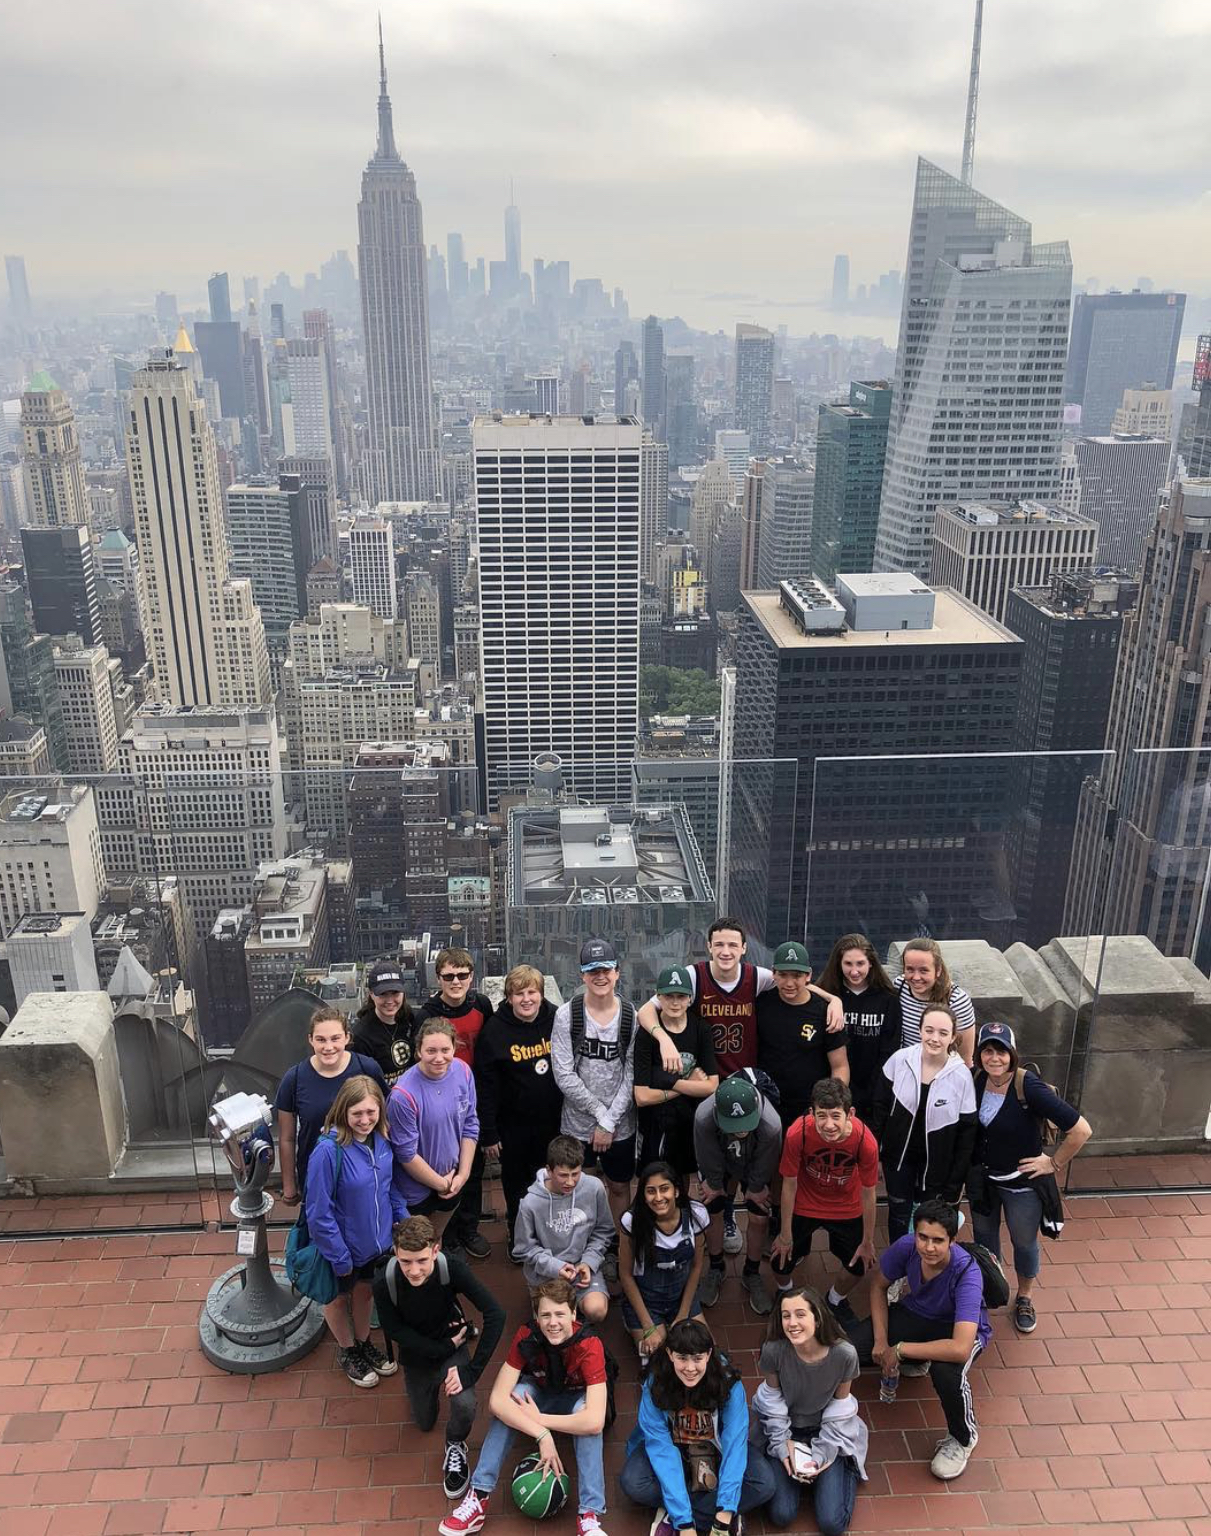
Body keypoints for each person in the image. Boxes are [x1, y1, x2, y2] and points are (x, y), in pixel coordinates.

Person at [637, 920, 842, 1257]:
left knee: (754, 1151)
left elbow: (793, 983)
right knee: (713, 1156)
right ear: (709, 946)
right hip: (705, 1084)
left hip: (747, 1083)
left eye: (733, 945)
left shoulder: (754, 976)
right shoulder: (693, 975)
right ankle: (726, 1216)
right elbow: (649, 1008)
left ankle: (761, 1216)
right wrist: (662, 1039)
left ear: (744, 948)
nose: (726, 951)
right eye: (720, 945)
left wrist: (832, 998)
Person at [438, 1279, 610, 1536]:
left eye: (560, 1314)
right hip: (539, 1393)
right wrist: (541, 1435)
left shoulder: (590, 1344)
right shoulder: (527, 1335)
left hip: (573, 1398)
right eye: (546, 1315)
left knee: (588, 1426)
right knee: (514, 1396)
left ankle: (589, 1515)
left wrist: (541, 1421)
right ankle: (479, 1496)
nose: (553, 1322)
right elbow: (497, 1401)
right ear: (537, 1317)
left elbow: (595, 1420)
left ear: (573, 1314)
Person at [844, 1200, 990, 1482]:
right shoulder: (906, 1246)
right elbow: (878, 1285)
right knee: (848, 1350)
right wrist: (880, 1340)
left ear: (952, 1241)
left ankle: (962, 1438)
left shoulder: (967, 1273)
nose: (928, 1247)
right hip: (916, 1313)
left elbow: (960, 1348)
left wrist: (898, 1350)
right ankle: (916, 1357)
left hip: (959, 1331)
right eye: (923, 1237)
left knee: (947, 1373)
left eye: (938, 1240)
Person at [969, 1021, 1091, 1335]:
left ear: (1012, 1054)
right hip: (984, 1179)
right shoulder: (975, 1080)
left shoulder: (1028, 1086)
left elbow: (1081, 1130)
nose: (994, 1058)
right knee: (985, 1239)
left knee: (1024, 1242)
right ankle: (991, 1288)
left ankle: (1024, 1296)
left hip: (1020, 1183)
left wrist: (1053, 1162)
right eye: (987, 1050)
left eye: (1001, 1051)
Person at [374, 1215, 506, 1500]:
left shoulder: (452, 1268)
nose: (414, 1270)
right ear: (395, 1253)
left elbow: (496, 1313)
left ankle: (455, 1443)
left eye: (422, 1260)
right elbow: (394, 1329)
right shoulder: (383, 1281)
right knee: (424, 1421)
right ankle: (429, 1383)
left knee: (465, 1403)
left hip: (451, 1347)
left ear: (436, 1249)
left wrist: (472, 1370)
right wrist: (442, 1348)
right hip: (421, 1352)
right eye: (406, 1261)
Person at [620, 1317, 776, 1536]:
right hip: (674, 1453)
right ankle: (701, 1511)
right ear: (670, 1354)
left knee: (764, 1483)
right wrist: (685, 1523)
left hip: (717, 1453)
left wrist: (724, 1513)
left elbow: (734, 1444)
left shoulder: (728, 1381)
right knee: (633, 1482)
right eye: (682, 1358)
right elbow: (661, 1450)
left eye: (697, 1358)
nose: (690, 1368)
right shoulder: (655, 1382)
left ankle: (687, 1512)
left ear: (709, 1354)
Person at [304, 1075, 407, 1388]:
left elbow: (390, 1188)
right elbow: (318, 1212)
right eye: (357, 1114)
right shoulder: (327, 1151)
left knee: (364, 1293)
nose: (365, 1120)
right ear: (343, 1112)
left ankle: (362, 1343)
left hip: (376, 1243)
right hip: (343, 1248)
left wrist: (402, 1216)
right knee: (335, 1299)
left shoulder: (383, 1140)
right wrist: (339, 1255)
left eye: (371, 1112)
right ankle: (347, 1350)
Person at [752, 1287, 865, 1535]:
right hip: (787, 1428)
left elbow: (841, 1407)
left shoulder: (845, 1354)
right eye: (785, 1315)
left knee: (832, 1524)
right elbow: (772, 1401)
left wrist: (825, 1451)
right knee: (781, 1515)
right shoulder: (773, 1350)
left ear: (817, 1316)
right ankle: (800, 1472)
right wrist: (783, 1444)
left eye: (800, 1314)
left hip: (825, 1430)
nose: (792, 1323)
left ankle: (842, 1468)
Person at [551, 939, 638, 1257]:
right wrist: (600, 1117)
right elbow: (563, 1074)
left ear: (617, 972)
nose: (599, 976)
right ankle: (582, 1248)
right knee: (577, 1187)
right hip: (577, 1124)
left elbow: (631, 1075)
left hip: (620, 1125)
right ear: (582, 976)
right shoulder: (567, 1015)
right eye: (592, 971)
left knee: (618, 1186)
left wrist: (610, 1121)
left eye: (605, 970)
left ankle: (619, 1246)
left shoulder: (631, 1017)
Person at [474, 964, 563, 1263]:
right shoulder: (494, 1032)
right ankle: (519, 1236)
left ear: (541, 994)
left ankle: (549, 1237)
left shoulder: (556, 1019)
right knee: (516, 1187)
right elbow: (485, 1086)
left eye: (532, 992)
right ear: (509, 997)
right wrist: (489, 1132)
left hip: (553, 1121)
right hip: (512, 1125)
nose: (527, 999)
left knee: (552, 1182)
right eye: (519, 994)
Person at [868, 1004, 977, 1243]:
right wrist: (877, 1151)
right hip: (898, 1159)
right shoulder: (900, 1060)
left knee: (927, 1215)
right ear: (919, 1031)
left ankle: (922, 1264)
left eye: (942, 1033)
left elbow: (966, 1135)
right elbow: (880, 1108)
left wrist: (955, 1181)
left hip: (937, 1165)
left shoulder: (961, 1076)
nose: (934, 1038)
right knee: (898, 1213)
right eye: (929, 1030)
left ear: (952, 1037)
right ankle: (899, 1264)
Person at [770, 1078, 878, 1321]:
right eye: (822, 1115)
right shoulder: (798, 1133)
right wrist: (785, 1234)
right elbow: (789, 1183)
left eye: (836, 1116)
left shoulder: (865, 1141)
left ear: (850, 1113)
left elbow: (869, 1192)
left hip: (846, 1206)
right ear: (812, 1112)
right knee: (779, 1257)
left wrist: (868, 1240)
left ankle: (835, 1300)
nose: (829, 1125)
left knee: (859, 1263)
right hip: (805, 1201)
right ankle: (785, 1294)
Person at [417, 948, 496, 1261]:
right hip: (441, 1101)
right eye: (448, 976)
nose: (456, 981)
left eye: (462, 975)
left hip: (474, 1101)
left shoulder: (483, 1006)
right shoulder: (427, 1015)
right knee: (444, 1168)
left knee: (473, 1170)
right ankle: (446, 1237)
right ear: (438, 979)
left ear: (471, 977)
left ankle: (469, 1229)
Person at [275, 1004, 387, 1205]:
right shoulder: (294, 1078)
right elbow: (287, 1138)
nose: (328, 1047)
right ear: (310, 1040)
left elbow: (385, 1122)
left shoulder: (367, 1068)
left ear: (347, 1037)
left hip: (365, 1173)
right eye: (320, 1039)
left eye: (335, 1038)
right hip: (316, 1176)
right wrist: (289, 1187)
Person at [693, 1076, 782, 1315]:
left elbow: (765, 1161)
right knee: (714, 1206)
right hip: (720, 1158)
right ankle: (716, 1267)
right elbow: (707, 1153)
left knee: (759, 1214)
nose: (740, 1129)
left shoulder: (771, 1125)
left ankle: (751, 1273)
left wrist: (755, 1187)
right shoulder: (703, 1117)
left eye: (745, 1123)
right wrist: (714, 1183)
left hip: (755, 1162)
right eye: (733, 1124)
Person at [388, 1018, 479, 1236]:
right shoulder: (403, 1095)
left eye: (445, 1050)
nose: (439, 1058)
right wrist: (440, 1183)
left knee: (436, 1238)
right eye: (431, 1051)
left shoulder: (463, 1072)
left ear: (455, 1048)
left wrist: (462, 1175)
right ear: (418, 1051)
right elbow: (406, 1153)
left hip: (452, 1177)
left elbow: (470, 1123)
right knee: (415, 1243)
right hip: (416, 1190)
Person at [514, 1135, 616, 1323]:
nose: (570, 1182)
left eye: (575, 1174)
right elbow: (524, 1249)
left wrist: (589, 1261)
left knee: (597, 1311)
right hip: (546, 1273)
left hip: (581, 1268)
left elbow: (603, 1230)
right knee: (553, 1325)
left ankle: (577, 1308)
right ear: (549, 1170)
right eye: (563, 1175)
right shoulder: (530, 1204)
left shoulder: (594, 1188)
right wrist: (556, 1267)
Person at [633, 966, 719, 1180]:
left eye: (681, 996)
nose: (674, 1002)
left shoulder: (701, 1029)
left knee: (683, 1181)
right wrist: (687, 1084)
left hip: (688, 1119)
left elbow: (711, 1086)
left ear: (690, 999)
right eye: (669, 996)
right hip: (655, 1122)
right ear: (659, 998)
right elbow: (642, 1097)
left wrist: (665, 1081)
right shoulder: (647, 1033)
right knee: (654, 1179)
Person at [756, 942, 850, 1132]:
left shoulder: (826, 1012)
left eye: (797, 976)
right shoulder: (761, 1004)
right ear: (773, 973)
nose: (789, 983)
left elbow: (840, 1066)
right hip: (767, 1105)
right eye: (783, 975)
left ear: (808, 975)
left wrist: (830, 1105)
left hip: (810, 1107)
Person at [619, 1161, 709, 1358]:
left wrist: (683, 1315)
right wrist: (647, 1326)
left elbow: (696, 1267)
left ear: (676, 1191)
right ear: (643, 1195)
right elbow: (625, 1275)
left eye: (664, 1189)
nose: (658, 1197)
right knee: (658, 1359)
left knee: (701, 1353)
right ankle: (632, 1323)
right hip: (646, 1303)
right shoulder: (631, 1221)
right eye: (651, 1191)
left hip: (681, 1299)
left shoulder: (697, 1215)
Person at [815, 935, 900, 1123]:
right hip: (833, 1087)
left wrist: (877, 1089)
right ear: (839, 964)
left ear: (871, 964)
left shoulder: (888, 998)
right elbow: (805, 988)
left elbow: (889, 1049)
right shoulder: (829, 993)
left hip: (873, 1088)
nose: (854, 971)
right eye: (848, 964)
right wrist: (832, 999)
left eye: (860, 963)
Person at [893, 939, 976, 1066]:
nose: (916, 977)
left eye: (923, 970)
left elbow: (965, 1057)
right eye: (910, 969)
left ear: (938, 970)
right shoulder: (899, 986)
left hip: (942, 1073)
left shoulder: (956, 1000)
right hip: (905, 1068)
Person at [351, 959, 415, 1088]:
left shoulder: (412, 1019)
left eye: (395, 993)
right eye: (383, 994)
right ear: (371, 995)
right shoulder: (361, 1035)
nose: (390, 1001)